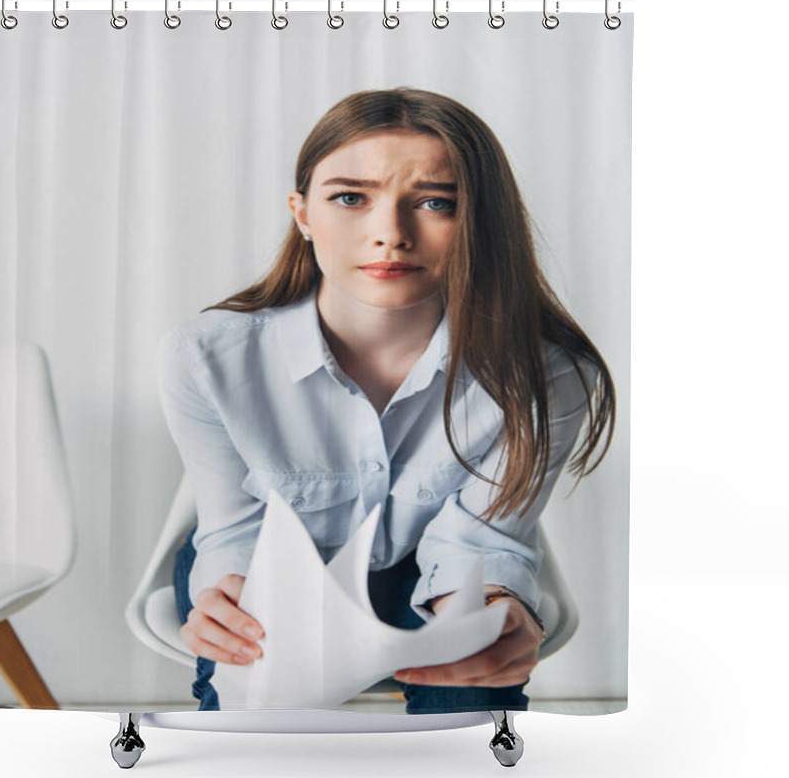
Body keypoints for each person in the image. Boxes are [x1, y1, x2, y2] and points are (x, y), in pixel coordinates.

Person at [159, 87, 615, 714]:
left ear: (480, 222)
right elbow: (235, 530)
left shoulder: (551, 374)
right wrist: (228, 593)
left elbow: (480, 541)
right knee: (257, 715)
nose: (390, 235)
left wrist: (491, 609)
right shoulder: (205, 357)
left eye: (435, 203)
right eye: (350, 198)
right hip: (275, 566)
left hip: (430, 571)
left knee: (472, 697)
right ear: (303, 214)